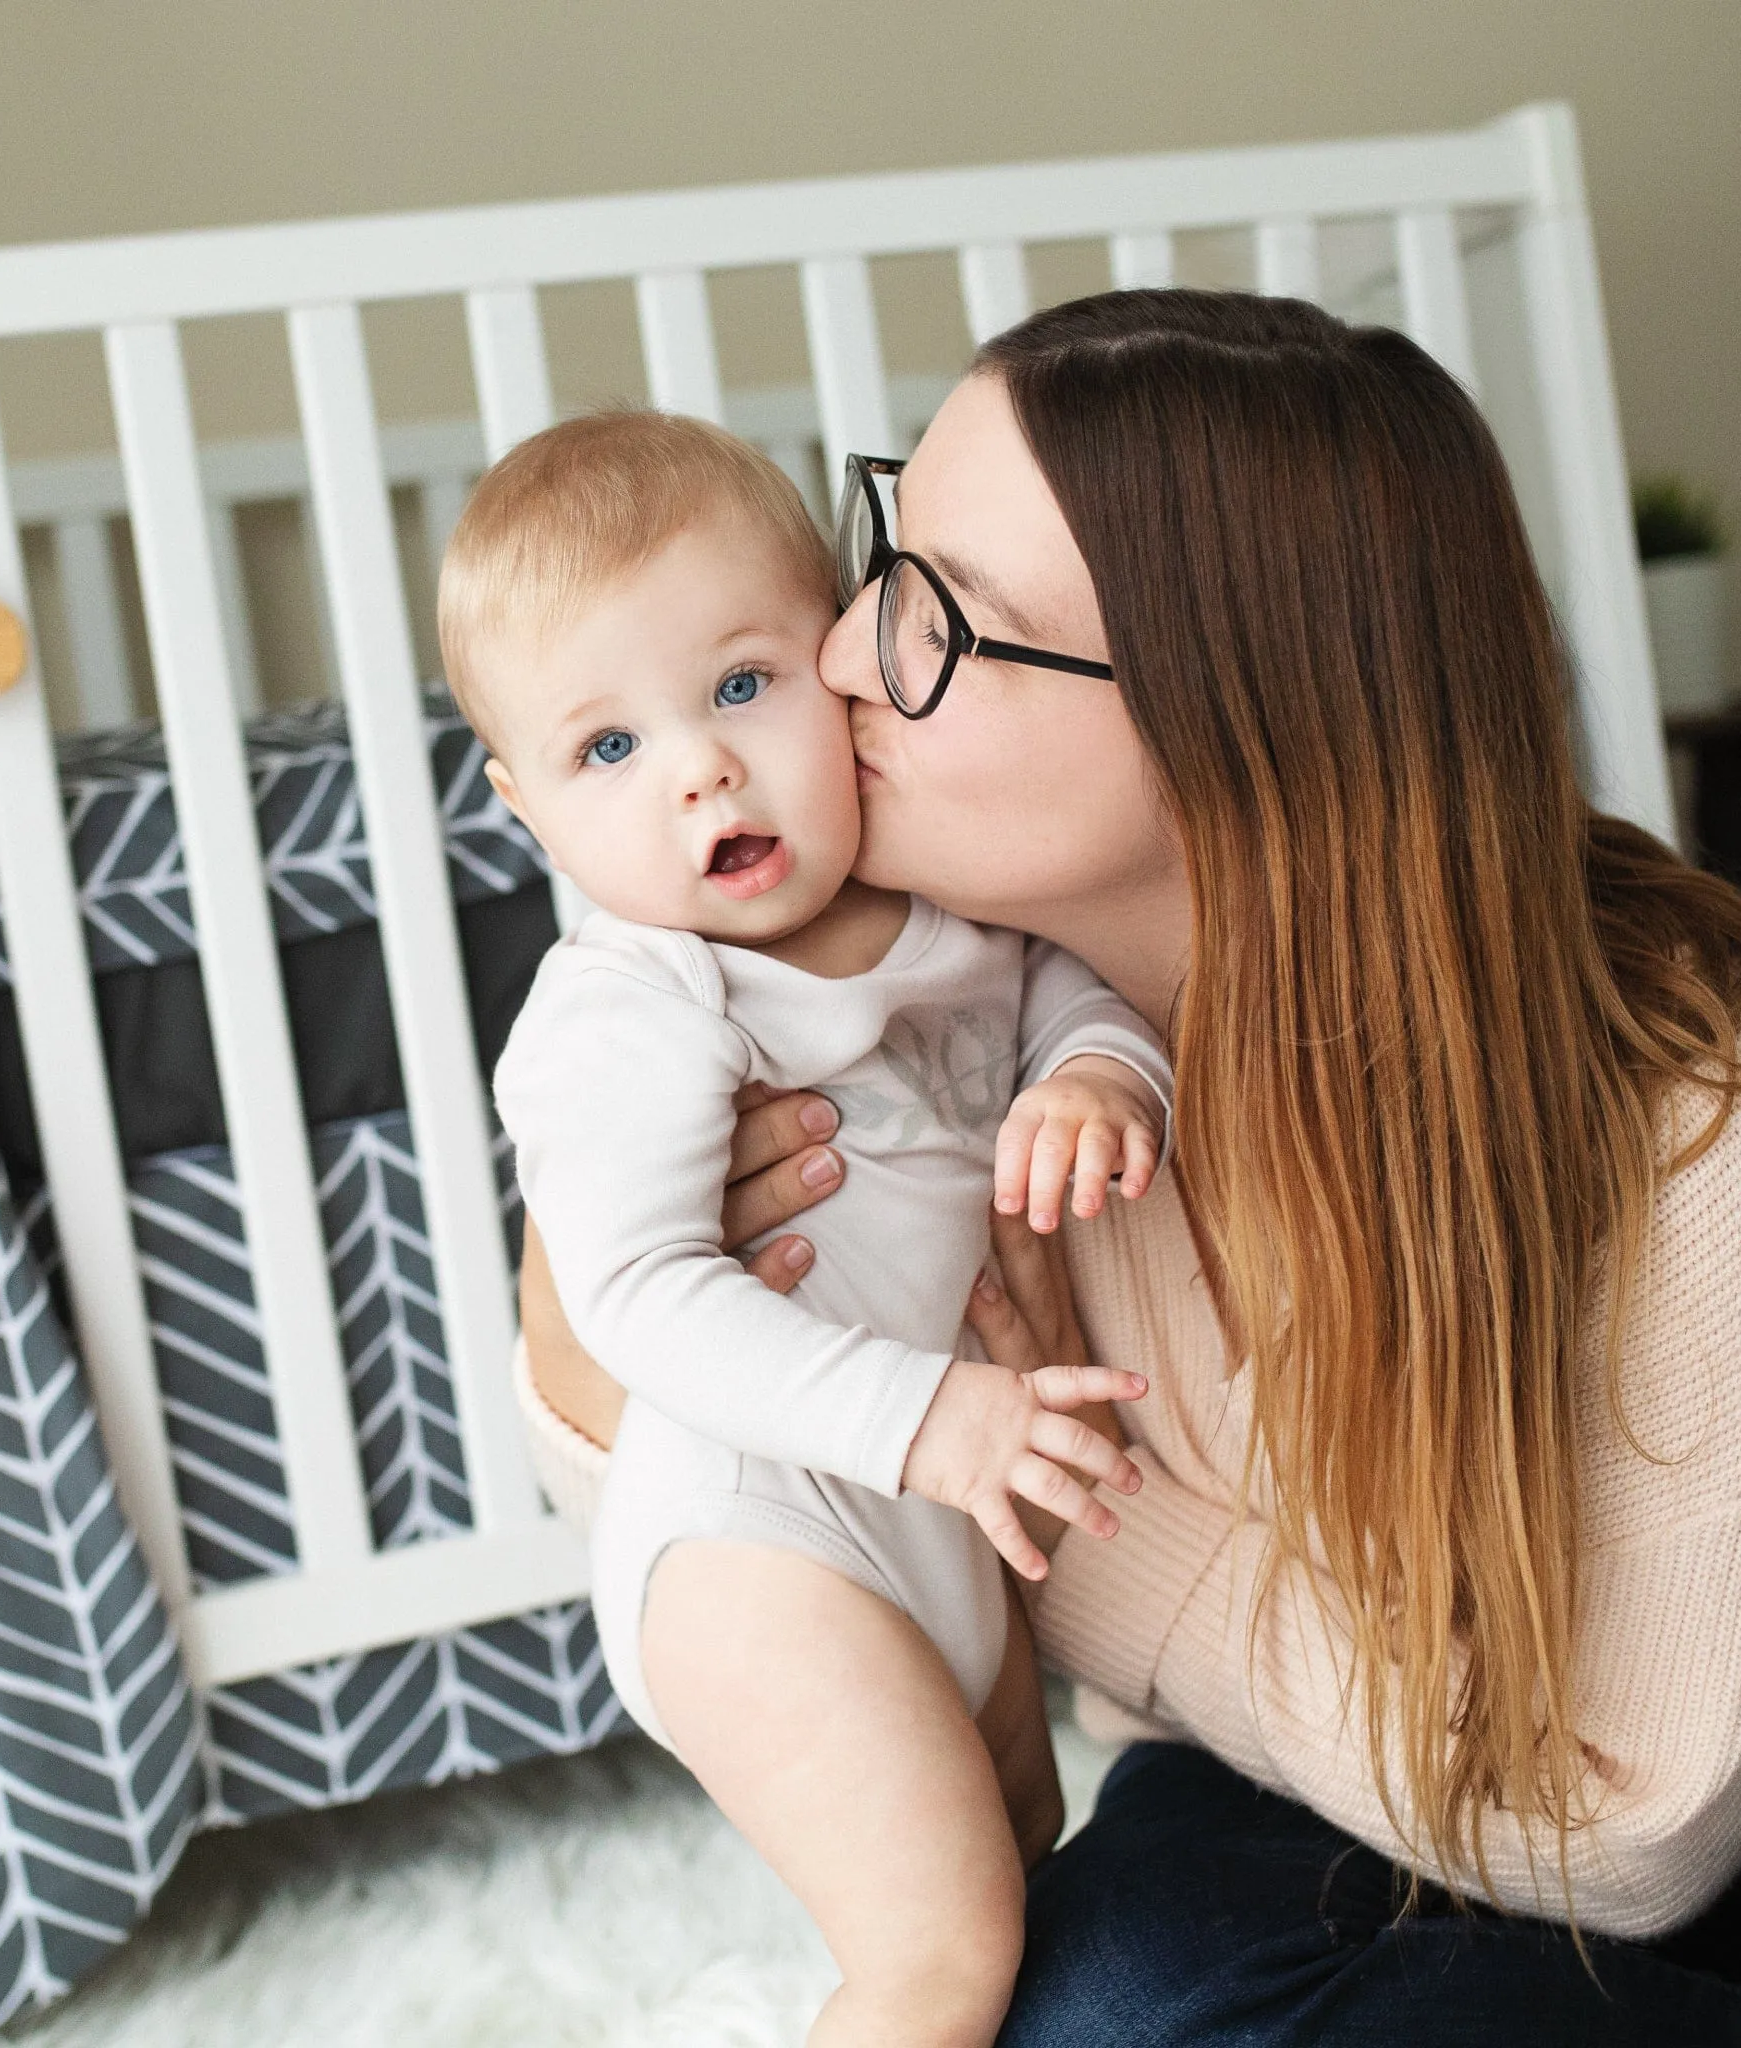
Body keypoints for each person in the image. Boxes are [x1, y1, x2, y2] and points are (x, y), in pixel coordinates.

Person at [514, 294, 1741, 2043]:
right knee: (1097, 1989)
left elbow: (1629, 1830)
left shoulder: (1694, 1136)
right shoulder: (945, 1010)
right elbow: (724, 1508)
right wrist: (594, 1290)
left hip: (1646, 1837)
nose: (845, 655)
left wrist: (1083, 1539)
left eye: (949, 619)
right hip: (1273, 1754)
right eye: (887, 557)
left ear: (1234, 731)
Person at [441, 409, 1176, 2047]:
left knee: (1027, 1866)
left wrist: (1098, 1090)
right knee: (938, 1948)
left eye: (739, 687)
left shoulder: (957, 917)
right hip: (759, 1540)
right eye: (607, 749)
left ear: (839, 667)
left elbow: (1086, 1007)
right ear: (526, 807)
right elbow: (635, 1297)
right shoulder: (637, 998)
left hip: (942, 1521)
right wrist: (933, 1419)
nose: (700, 763)